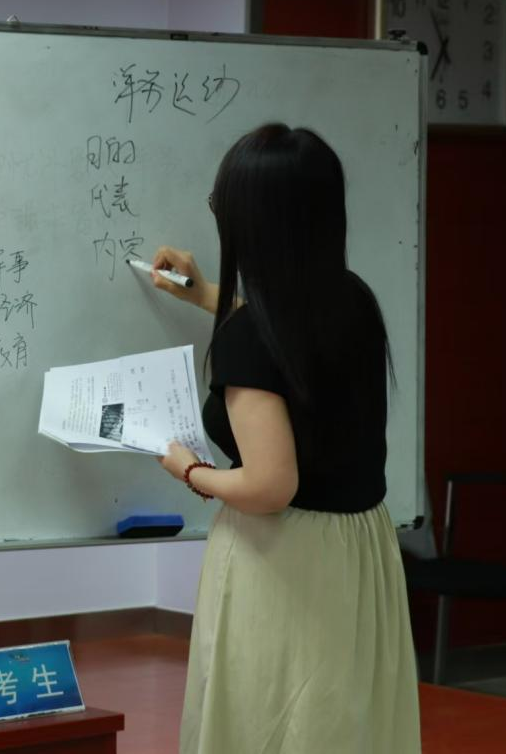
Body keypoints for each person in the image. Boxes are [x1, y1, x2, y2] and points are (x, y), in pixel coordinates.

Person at [150, 123, 420, 753]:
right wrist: (204, 294)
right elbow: (286, 336)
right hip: (358, 549)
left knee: (272, 723)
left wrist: (189, 469)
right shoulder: (353, 300)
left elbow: (270, 485)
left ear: (254, 222)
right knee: (344, 727)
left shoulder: (249, 341)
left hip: (286, 560)